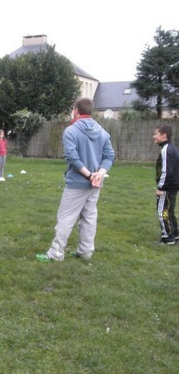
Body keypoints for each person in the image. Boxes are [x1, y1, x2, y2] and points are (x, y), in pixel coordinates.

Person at [36, 97, 115, 262]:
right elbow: (109, 157)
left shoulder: (71, 131)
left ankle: (56, 253)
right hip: (95, 184)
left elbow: (71, 157)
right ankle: (85, 252)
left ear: (76, 110)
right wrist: (98, 174)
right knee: (89, 216)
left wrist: (91, 175)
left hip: (78, 183)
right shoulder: (102, 131)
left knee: (66, 217)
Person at [153, 125, 179, 244]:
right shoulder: (173, 148)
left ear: (164, 135)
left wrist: (161, 187)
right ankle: (175, 234)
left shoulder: (166, 150)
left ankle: (167, 237)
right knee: (170, 210)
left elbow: (166, 171)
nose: (154, 136)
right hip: (173, 186)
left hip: (167, 188)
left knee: (162, 211)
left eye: (156, 134)